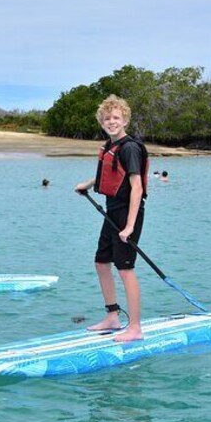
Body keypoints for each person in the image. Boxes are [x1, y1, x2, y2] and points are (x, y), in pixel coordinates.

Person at [74, 95, 148, 342]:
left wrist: (129, 225)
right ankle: (113, 316)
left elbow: (136, 187)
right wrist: (87, 184)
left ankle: (135, 327)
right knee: (101, 262)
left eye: (116, 117)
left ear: (125, 120)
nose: (111, 121)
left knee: (125, 269)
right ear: (102, 122)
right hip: (111, 210)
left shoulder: (130, 148)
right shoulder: (109, 146)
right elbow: (109, 173)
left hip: (128, 212)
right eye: (107, 118)